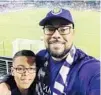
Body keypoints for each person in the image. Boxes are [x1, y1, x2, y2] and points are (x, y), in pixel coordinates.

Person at [0, 8, 100, 95]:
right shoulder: (41, 56)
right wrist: (6, 83)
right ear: (44, 34)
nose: (56, 35)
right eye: (50, 29)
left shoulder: (90, 69)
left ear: (73, 33)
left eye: (64, 29)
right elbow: (21, 69)